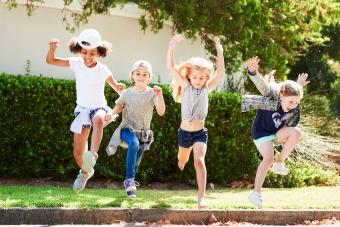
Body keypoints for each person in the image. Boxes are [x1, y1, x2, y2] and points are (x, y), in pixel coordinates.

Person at [46, 28, 125, 192]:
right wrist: (52, 48)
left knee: (98, 119)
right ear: (79, 51)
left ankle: (93, 154)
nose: (88, 57)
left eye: (92, 53)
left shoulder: (103, 70)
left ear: (100, 52)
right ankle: (85, 171)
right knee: (77, 154)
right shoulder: (76, 63)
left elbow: (117, 87)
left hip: (98, 108)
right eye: (84, 53)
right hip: (82, 111)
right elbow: (51, 61)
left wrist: (119, 87)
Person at [242, 56, 309, 208]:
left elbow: (293, 93)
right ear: (280, 96)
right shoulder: (271, 95)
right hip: (261, 133)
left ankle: (280, 163)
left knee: (296, 133)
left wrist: (299, 85)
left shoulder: (291, 101)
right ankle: (256, 193)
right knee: (268, 158)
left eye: (296, 103)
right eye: (290, 102)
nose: (293, 106)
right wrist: (253, 71)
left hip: (275, 133)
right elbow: (262, 85)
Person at [167, 34, 225, 209]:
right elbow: (171, 67)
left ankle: (201, 198)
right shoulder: (185, 86)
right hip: (185, 133)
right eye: (195, 77)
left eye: (201, 78)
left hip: (200, 133)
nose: (198, 81)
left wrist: (219, 51)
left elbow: (220, 73)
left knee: (199, 161)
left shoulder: (207, 88)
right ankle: (181, 160)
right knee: (182, 158)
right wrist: (171, 47)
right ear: (190, 77)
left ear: (206, 78)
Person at [106, 60, 165, 198]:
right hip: (127, 129)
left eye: (145, 74)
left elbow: (161, 112)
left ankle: (131, 181)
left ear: (149, 78)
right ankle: (129, 180)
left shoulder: (152, 93)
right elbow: (119, 106)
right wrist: (111, 114)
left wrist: (160, 95)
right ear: (132, 75)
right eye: (138, 73)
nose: (141, 76)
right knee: (133, 143)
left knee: (136, 160)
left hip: (143, 133)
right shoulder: (127, 93)